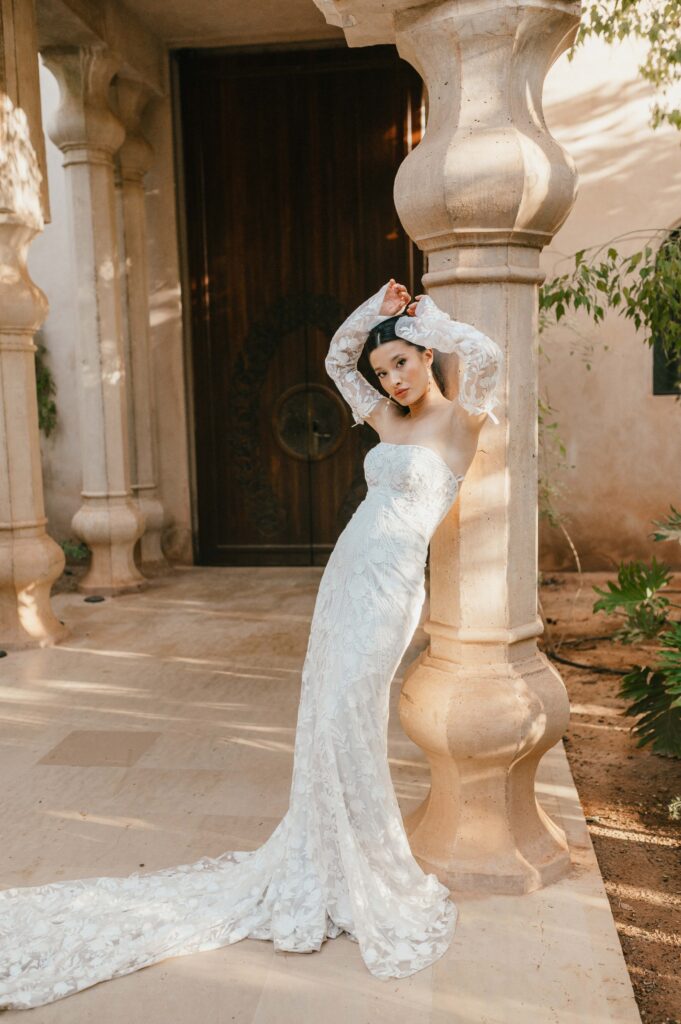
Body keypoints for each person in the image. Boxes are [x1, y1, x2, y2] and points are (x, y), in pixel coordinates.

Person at [0, 279, 503, 1009]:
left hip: (391, 589)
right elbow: (336, 360)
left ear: (426, 356)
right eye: (384, 371)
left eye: (401, 362)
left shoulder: (462, 424)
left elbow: (485, 354)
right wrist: (372, 311)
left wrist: (426, 317)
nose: (391, 378)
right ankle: (328, 857)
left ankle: (361, 866)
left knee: (347, 716)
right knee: (327, 717)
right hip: (347, 575)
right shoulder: (387, 424)